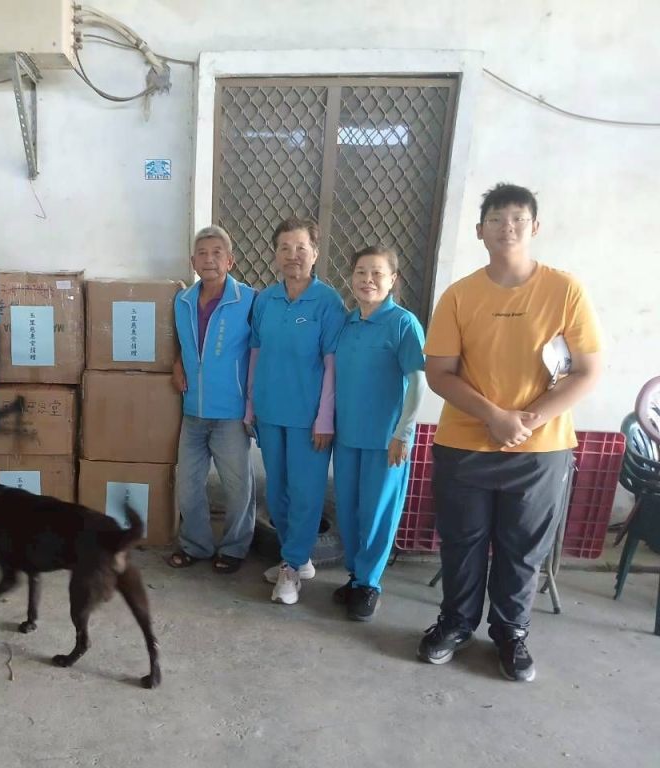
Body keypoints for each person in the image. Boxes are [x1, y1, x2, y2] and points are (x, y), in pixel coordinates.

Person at [416, 183, 602, 682]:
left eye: (518, 218)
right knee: (462, 542)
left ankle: (511, 633)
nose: (508, 227)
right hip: (465, 444)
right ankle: (455, 624)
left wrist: (527, 421)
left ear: (535, 227)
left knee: (523, 548)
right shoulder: (460, 296)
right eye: (496, 219)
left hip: (540, 450)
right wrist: (494, 417)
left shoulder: (565, 291)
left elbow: (587, 371)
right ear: (480, 231)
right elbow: (439, 372)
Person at [245, 216, 346, 604]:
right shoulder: (266, 300)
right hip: (270, 412)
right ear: (275, 255)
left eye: (301, 248)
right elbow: (255, 354)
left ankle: (291, 565)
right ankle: (296, 559)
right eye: (284, 248)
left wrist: (325, 418)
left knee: (305, 493)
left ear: (315, 253)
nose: (293, 255)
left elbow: (333, 365)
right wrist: (250, 405)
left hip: (309, 418)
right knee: (278, 492)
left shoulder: (328, 302)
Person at [332, 246, 427, 621]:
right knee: (349, 511)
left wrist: (403, 433)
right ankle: (356, 577)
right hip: (347, 436)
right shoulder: (349, 323)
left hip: (386, 441)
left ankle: (369, 583)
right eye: (360, 272)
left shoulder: (403, 323)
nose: (367, 280)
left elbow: (418, 383)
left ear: (393, 280)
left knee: (377, 514)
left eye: (377, 273)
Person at [168, 226, 256, 574]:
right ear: (193, 261)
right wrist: (177, 363)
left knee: (238, 487)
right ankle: (196, 545)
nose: (209, 259)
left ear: (230, 260)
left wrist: (252, 407)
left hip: (231, 412)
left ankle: (234, 548)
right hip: (193, 409)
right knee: (188, 485)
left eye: (217, 253)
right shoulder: (182, 301)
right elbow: (183, 343)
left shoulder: (249, 300)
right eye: (202, 253)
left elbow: (260, 351)